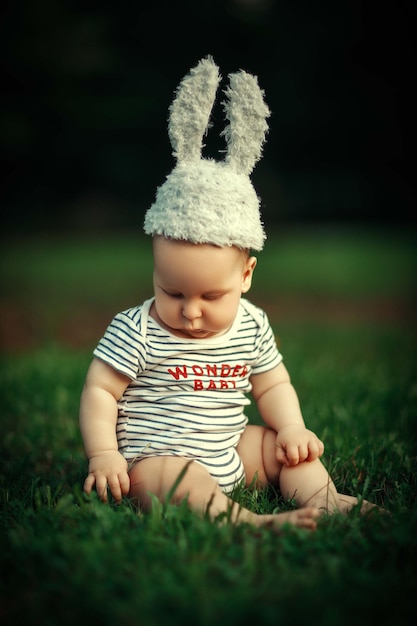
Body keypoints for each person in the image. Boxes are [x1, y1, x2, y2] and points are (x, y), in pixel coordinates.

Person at [79, 57, 376, 531]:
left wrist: (293, 428)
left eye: (211, 296)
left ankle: (325, 498)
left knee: (279, 446)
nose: (189, 311)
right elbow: (100, 390)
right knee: (173, 476)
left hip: (229, 449)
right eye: (170, 290)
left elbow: (272, 384)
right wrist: (104, 454)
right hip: (154, 461)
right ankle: (247, 523)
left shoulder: (253, 324)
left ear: (247, 275)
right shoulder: (135, 329)